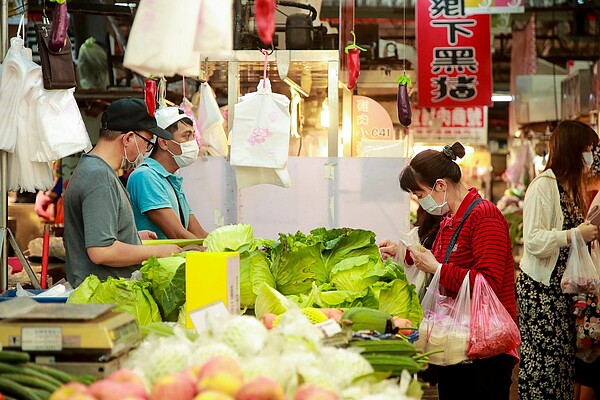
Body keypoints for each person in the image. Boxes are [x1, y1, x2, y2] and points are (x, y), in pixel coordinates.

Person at [398, 142, 517, 400]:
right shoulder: (451, 219)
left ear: (441, 185)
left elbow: (489, 283)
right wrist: (404, 254)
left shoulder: (484, 216)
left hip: (486, 349)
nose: (419, 201)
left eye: (419, 193)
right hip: (458, 343)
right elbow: (444, 261)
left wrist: (438, 269)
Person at [517, 120, 599, 400]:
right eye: (588, 148)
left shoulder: (569, 190)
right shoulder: (544, 186)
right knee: (544, 368)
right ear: (573, 150)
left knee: (563, 367)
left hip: (560, 293)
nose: (591, 155)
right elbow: (535, 240)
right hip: (541, 293)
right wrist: (574, 234)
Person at [63, 98, 182, 287]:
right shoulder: (98, 177)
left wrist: (130, 236)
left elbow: (97, 236)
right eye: (147, 143)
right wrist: (158, 251)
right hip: (103, 299)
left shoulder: (95, 170)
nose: (146, 150)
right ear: (127, 138)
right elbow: (101, 251)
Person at [127, 107, 209, 239]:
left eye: (193, 135)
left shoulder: (171, 179)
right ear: (164, 142)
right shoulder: (145, 176)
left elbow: (198, 233)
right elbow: (178, 234)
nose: (193, 143)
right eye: (186, 136)